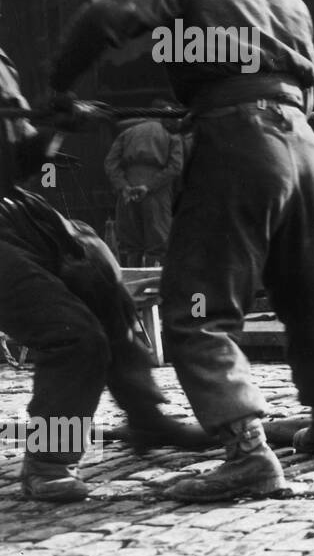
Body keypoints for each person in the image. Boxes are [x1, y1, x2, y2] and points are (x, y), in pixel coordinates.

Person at [48, 0, 314, 502]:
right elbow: (307, 82)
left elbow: (105, 16)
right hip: (302, 143)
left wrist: (59, 87)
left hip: (238, 140)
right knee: (307, 293)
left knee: (197, 305)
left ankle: (247, 452)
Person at [2, 49, 209, 502]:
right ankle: (48, 461)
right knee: (73, 336)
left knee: (102, 285)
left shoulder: (3, 63)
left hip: (13, 209)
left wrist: (57, 126)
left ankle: (145, 419)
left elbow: (19, 163)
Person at [104, 107, 183, 266]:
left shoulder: (127, 133)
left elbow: (110, 163)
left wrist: (123, 186)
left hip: (128, 188)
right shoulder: (171, 135)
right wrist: (149, 186)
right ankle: (152, 285)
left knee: (131, 245)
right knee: (158, 243)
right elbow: (176, 166)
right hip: (156, 192)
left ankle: (132, 285)